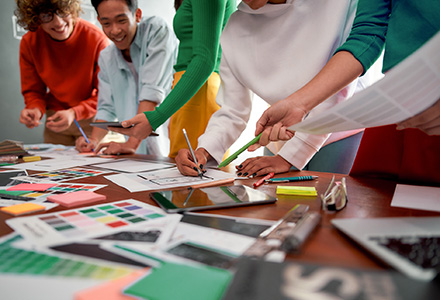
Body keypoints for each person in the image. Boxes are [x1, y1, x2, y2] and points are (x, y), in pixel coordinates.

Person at [175, 0, 381, 177]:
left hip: (342, 129)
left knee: (330, 213)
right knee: (277, 210)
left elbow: (342, 85)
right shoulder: (234, 30)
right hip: (281, 137)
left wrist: (289, 157)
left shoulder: (337, 6)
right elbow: (233, 111)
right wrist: (204, 150)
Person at [253, 0, 440, 185]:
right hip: (400, 102)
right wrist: (297, 104)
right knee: (373, 198)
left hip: (427, 96)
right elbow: (367, 33)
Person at [108, 0, 236, 158]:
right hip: (188, 86)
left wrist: (156, 117)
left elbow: (205, 61)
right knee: (180, 164)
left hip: (200, 87)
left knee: (195, 169)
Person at [75, 0, 177, 155]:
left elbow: (151, 91)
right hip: (138, 151)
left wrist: (131, 144)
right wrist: (93, 142)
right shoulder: (106, 57)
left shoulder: (156, 30)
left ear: (137, 15)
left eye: (121, 20)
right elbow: (106, 107)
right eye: (106, 23)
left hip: (170, 135)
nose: (114, 31)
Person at [15, 0, 109, 146]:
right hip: (55, 121)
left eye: (62, 12)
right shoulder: (30, 42)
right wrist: (34, 109)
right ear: (35, 18)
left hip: (93, 120)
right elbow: (33, 91)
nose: (58, 22)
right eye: (47, 16)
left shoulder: (96, 38)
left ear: (72, 8)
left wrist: (74, 113)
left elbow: (106, 95)